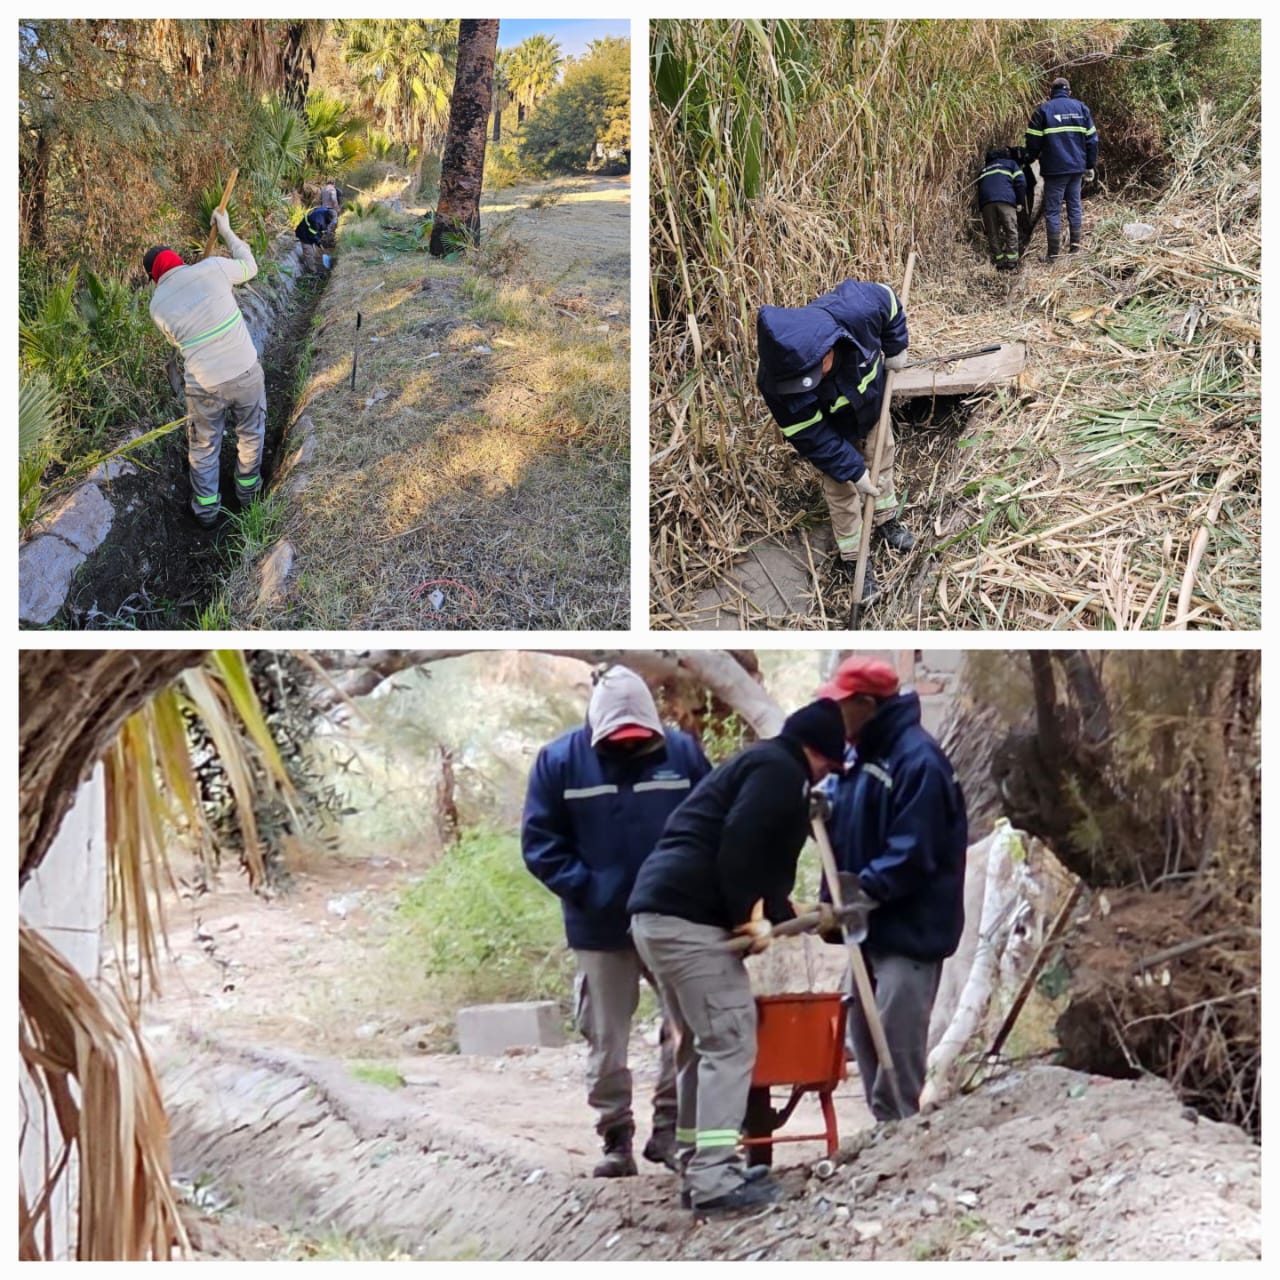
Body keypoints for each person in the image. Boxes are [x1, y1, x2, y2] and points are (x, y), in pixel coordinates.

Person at [628, 699, 852, 1214]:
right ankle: (714, 1181)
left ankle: (694, 1160)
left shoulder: (755, 764)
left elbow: (752, 858)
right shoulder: (781, 771)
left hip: (655, 914)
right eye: (827, 768)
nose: (823, 780)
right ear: (816, 753)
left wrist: (775, 910)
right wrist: (746, 918)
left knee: (698, 1045)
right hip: (686, 920)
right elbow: (744, 848)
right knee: (730, 1038)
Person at [522, 666, 712, 1179]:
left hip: (675, 920)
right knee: (607, 1039)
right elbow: (540, 847)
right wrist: (594, 889)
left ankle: (670, 1130)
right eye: (617, 741)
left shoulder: (685, 755)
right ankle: (616, 1136)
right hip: (600, 929)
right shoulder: (558, 763)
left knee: (689, 1028)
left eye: (640, 739)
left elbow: (715, 824)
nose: (630, 748)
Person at [814, 655, 968, 1122]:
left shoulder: (918, 761)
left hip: (910, 933)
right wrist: (821, 813)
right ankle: (886, 1137)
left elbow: (912, 853)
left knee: (895, 1051)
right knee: (863, 1036)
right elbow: (848, 829)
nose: (832, 716)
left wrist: (858, 893)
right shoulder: (859, 755)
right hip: (869, 929)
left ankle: (900, 1138)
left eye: (840, 706)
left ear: (866, 703)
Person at [756, 281, 914, 604]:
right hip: (834, 430)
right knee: (841, 488)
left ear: (828, 349)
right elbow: (811, 435)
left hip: (871, 407)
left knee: (881, 455)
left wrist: (896, 347)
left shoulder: (859, 306)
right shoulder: (777, 381)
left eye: (812, 377)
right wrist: (853, 470)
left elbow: (892, 306)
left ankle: (886, 519)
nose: (804, 388)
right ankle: (855, 557)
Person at [143, 211, 265, 528]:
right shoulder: (212, 268)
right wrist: (226, 230)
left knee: (204, 447)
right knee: (251, 434)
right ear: (179, 259)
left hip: (204, 386)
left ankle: (207, 510)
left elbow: (177, 340)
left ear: (153, 278)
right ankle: (248, 493)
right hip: (245, 372)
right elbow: (250, 266)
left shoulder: (157, 307)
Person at [1025, 76, 1098, 262]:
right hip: (1076, 169)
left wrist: (1030, 157)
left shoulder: (1043, 110)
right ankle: (1075, 248)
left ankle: (1053, 255)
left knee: (1053, 211)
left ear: (1050, 92)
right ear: (1069, 92)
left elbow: (1032, 141)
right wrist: (1089, 165)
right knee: (1074, 206)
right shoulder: (1081, 109)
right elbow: (1092, 140)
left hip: (1054, 170)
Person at [978, 147, 1027, 271]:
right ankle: (1012, 261)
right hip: (1005, 200)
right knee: (1011, 229)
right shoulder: (1011, 164)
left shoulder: (984, 169)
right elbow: (1021, 182)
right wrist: (1020, 201)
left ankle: (999, 260)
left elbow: (980, 188)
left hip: (986, 203)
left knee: (992, 232)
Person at [295, 206, 337, 272]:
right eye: (331, 221)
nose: (331, 222)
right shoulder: (317, 221)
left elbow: (316, 232)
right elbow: (312, 235)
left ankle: (313, 263)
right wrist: (318, 242)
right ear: (328, 217)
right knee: (309, 253)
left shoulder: (326, 211)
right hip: (304, 233)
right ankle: (313, 271)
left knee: (314, 251)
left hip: (311, 230)